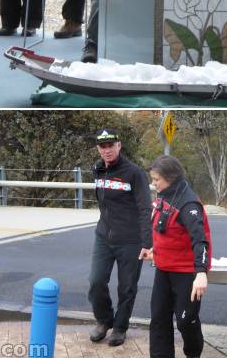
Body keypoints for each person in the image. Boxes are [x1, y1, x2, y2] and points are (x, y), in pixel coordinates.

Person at [88, 128, 153, 347]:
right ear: (98, 148)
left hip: (130, 240)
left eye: (110, 146)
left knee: (126, 287)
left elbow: (145, 208)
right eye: (102, 146)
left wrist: (147, 243)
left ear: (119, 145)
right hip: (103, 237)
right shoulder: (98, 170)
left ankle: (119, 328)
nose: (106, 150)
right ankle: (104, 320)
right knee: (96, 281)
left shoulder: (134, 173)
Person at [144, 155, 212, 358]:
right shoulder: (164, 194)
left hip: (186, 273)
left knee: (185, 320)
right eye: (153, 179)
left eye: (156, 179)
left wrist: (201, 273)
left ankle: (193, 353)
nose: (153, 183)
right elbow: (165, 230)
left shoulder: (188, 203)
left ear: (170, 177)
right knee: (159, 319)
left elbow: (200, 240)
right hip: (163, 271)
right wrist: (154, 250)